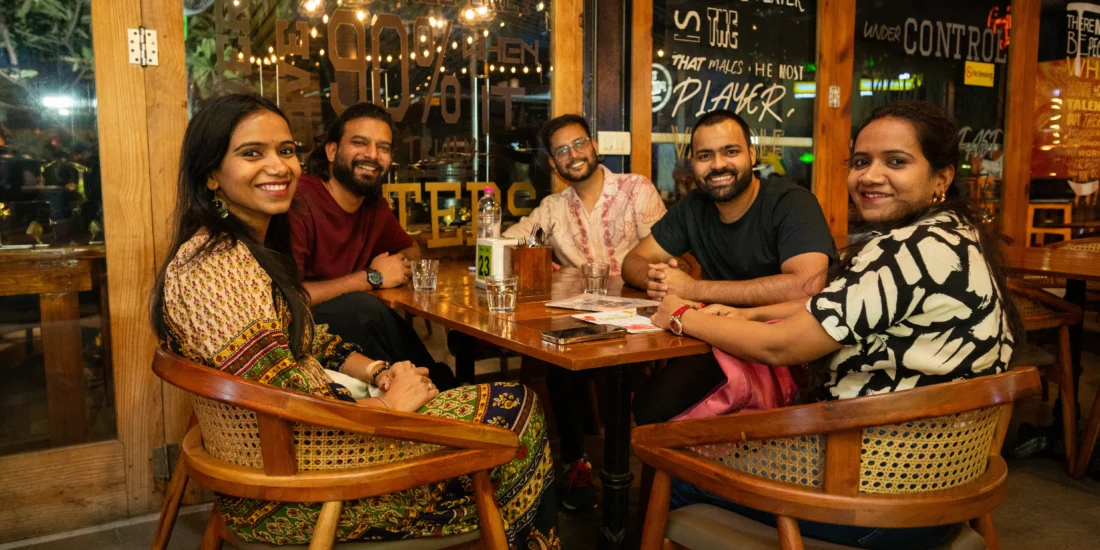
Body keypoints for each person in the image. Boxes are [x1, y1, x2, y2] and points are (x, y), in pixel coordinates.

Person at [150, 94, 559, 547]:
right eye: (252, 153)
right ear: (210, 173)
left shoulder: (236, 250)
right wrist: (388, 406)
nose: (279, 166)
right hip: (298, 489)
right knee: (515, 413)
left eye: (285, 151)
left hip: (296, 459)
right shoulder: (221, 269)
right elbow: (288, 403)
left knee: (486, 410)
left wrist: (378, 370)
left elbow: (304, 337)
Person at [646, 100, 1020, 550]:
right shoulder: (956, 237)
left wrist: (683, 314)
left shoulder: (904, 251)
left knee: (672, 457)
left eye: (896, 162)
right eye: (861, 162)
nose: (870, 176)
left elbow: (780, 347)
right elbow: (835, 307)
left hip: (873, 499)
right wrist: (746, 314)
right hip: (950, 486)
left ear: (941, 177)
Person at [450, 114, 667, 512]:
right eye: (562, 151)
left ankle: (641, 468)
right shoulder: (553, 208)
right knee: (558, 358)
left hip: (639, 317)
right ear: (553, 163)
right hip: (581, 319)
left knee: (625, 377)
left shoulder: (636, 189)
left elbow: (667, 250)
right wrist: (528, 254)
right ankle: (575, 462)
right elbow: (506, 239)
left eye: (579, 144)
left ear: (593, 145)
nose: (574, 155)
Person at [623, 109, 837, 424]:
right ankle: (691, 470)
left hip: (797, 350)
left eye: (731, 151)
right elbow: (632, 262)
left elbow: (807, 284)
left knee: (662, 407)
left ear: (751, 154)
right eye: (705, 156)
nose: (718, 165)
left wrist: (694, 289)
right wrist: (656, 279)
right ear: (692, 163)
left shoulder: (791, 203)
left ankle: (718, 467)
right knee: (650, 404)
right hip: (725, 339)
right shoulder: (693, 208)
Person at [289, 103, 457, 390]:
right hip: (302, 329)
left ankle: (431, 385)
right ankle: (438, 386)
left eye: (383, 147)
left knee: (367, 310)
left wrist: (391, 265)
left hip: (348, 335)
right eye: (359, 143)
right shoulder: (301, 201)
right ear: (331, 152)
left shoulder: (373, 207)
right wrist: (371, 277)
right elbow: (290, 297)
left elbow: (413, 252)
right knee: (365, 309)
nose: (372, 155)